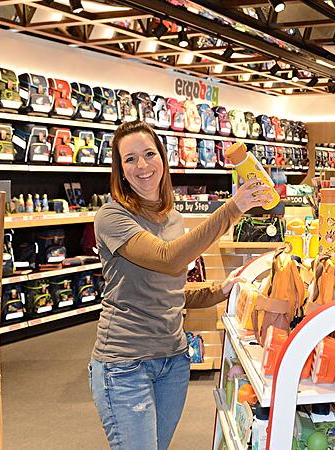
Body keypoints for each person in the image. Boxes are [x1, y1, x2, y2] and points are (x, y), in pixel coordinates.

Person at [89, 121, 272, 449]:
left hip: (173, 360)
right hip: (125, 366)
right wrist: (232, 209)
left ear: (162, 157)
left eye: (149, 154)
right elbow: (169, 259)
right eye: (130, 159)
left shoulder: (171, 218)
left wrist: (220, 289)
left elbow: (167, 289)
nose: (143, 166)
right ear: (119, 170)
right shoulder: (111, 217)